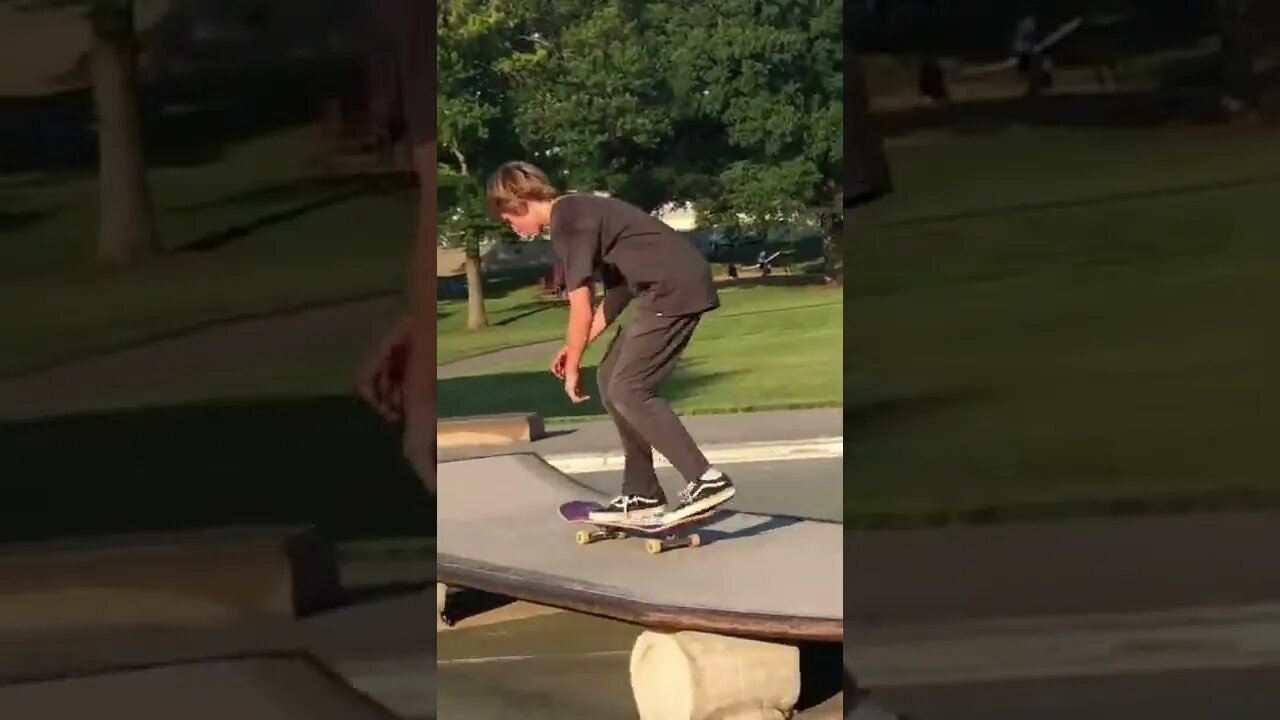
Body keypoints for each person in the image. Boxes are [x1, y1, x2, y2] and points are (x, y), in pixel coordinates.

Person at [486, 161, 736, 523]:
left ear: (520, 202)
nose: (511, 227)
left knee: (630, 388)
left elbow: (581, 305)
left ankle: (705, 480)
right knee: (611, 378)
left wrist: (573, 365)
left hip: (673, 288)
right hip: (668, 286)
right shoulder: (582, 211)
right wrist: (577, 346)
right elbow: (618, 292)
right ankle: (642, 493)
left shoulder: (566, 222)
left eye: (508, 219)